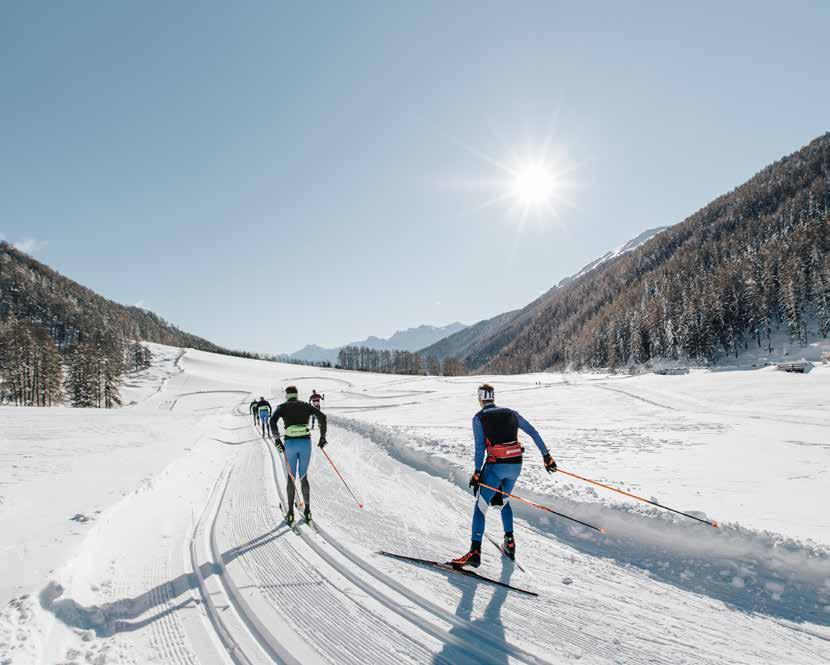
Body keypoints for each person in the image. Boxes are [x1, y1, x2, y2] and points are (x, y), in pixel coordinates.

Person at [451, 384, 556, 568]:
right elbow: (532, 432)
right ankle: (510, 543)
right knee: (504, 501)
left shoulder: (479, 418)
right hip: (515, 465)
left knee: (481, 507)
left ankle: (475, 552)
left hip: (496, 467)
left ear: (480, 398)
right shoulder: (511, 413)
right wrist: (546, 456)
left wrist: (477, 472)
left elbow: (480, 448)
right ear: (493, 397)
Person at [270, 385, 327, 525]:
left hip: (290, 444)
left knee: (291, 478)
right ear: (297, 394)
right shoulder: (305, 405)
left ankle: (290, 513)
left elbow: (272, 421)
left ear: (287, 395)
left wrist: (277, 439)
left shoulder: (282, 407)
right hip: (305, 443)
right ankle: (307, 511)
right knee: (303, 477)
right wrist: (322, 437)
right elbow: (322, 417)